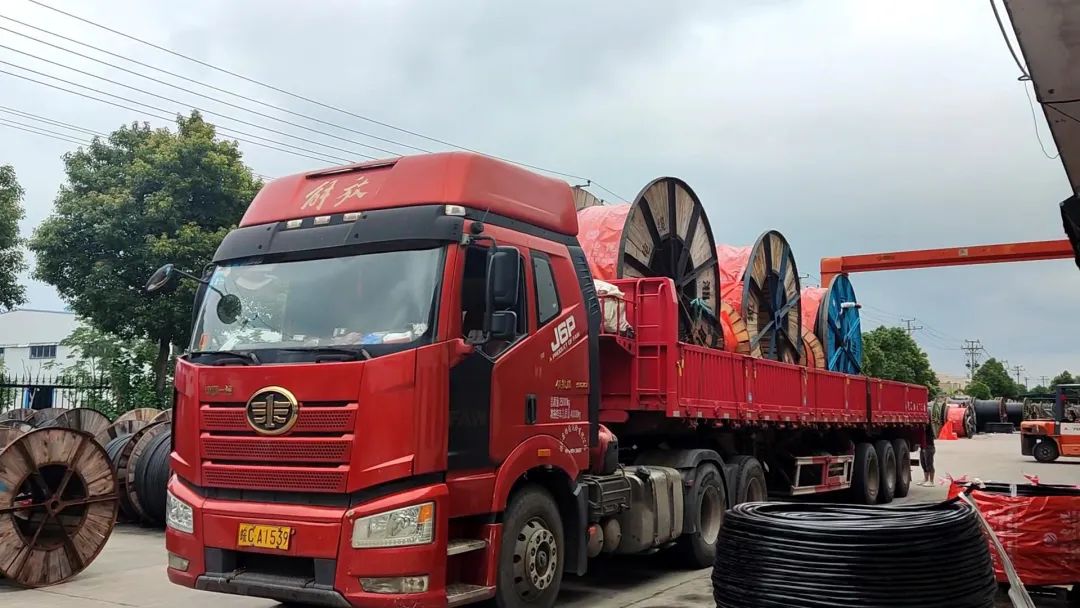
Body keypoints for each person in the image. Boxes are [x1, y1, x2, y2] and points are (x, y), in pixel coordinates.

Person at [919, 422, 936, 487]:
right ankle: (926, 479)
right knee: (923, 464)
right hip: (923, 447)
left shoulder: (928, 426)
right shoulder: (922, 428)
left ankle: (931, 481)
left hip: (929, 447)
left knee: (929, 464)